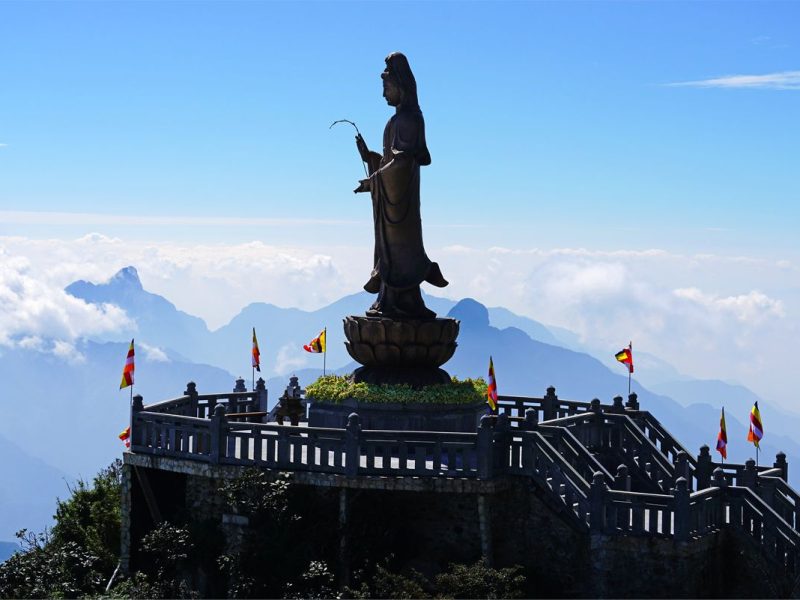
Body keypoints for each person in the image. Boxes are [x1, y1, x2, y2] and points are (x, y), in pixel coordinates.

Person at [353, 52, 448, 319]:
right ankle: (388, 298)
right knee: (390, 251)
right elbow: (388, 160)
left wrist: (373, 181)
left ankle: (404, 301)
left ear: (401, 87)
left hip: (401, 205)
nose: (384, 94)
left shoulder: (409, 119)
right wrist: (370, 158)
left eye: (386, 87)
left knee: (402, 251)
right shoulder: (396, 121)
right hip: (392, 205)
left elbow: (402, 162)